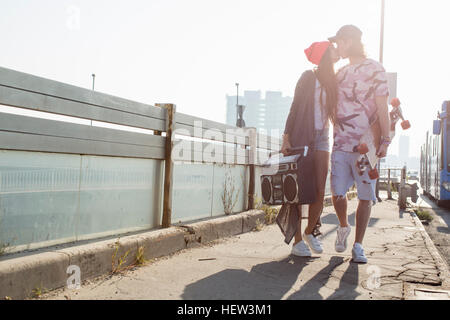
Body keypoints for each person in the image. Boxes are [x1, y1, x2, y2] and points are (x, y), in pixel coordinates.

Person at [328, 25, 390, 263]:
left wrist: (385, 139)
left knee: (365, 196)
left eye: (340, 42)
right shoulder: (340, 73)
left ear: (351, 41)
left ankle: (358, 245)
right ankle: (343, 226)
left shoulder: (375, 69)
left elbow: (382, 107)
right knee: (337, 193)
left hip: (365, 147)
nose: (338, 46)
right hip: (340, 144)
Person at [280, 40, 339, 257]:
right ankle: (297, 242)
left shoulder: (333, 81)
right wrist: (286, 138)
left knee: (318, 190)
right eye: (332, 48)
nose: (336, 51)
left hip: (323, 138)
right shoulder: (308, 77)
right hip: (301, 136)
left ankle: (309, 232)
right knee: (298, 192)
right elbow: (294, 108)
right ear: (325, 53)